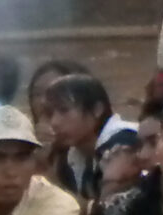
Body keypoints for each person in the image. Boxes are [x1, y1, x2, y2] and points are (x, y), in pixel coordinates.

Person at [42, 74, 135, 208]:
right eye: (50, 113)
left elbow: (112, 212)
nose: (54, 122)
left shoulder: (124, 141)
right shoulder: (71, 154)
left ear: (97, 109)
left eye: (64, 110)